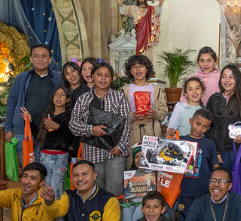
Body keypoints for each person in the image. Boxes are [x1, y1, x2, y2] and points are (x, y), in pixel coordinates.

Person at [69, 63, 131, 196]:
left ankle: (114, 217)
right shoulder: (83, 99)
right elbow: (73, 124)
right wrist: (91, 129)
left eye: (107, 75)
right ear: (92, 77)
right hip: (93, 153)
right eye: (99, 75)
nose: (103, 78)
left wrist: (121, 146)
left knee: (115, 193)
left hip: (115, 153)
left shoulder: (119, 97)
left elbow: (126, 124)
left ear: (111, 79)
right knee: (95, 193)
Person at [4, 44, 62, 160]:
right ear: (31, 59)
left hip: (48, 132)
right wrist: (8, 129)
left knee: (46, 170)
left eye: (44, 56)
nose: (40, 59)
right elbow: (12, 103)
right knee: (28, 170)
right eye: (36, 56)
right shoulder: (22, 78)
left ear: (50, 60)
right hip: (24, 131)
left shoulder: (58, 79)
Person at [20, 86, 74, 199]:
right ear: (52, 98)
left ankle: (59, 217)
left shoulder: (70, 116)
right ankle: (47, 216)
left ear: (68, 99)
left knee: (56, 189)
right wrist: (29, 122)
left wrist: (58, 127)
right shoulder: (46, 115)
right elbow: (39, 137)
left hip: (60, 157)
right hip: (45, 156)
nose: (58, 97)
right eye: (56, 94)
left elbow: (71, 139)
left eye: (62, 94)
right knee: (45, 189)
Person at [121, 54, 168, 167]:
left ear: (147, 69)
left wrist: (155, 113)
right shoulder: (124, 90)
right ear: (130, 71)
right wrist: (132, 116)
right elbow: (119, 115)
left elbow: (163, 112)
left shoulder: (156, 90)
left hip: (151, 130)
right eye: (134, 66)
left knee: (153, 163)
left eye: (141, 66)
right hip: (132, 131)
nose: (138, 69)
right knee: (132, 163)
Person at [205, 65, 241, 170]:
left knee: (237, 184)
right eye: (224, 76)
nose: (227, 80)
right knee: (219, 183)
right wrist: (216, 151)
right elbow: (208, 126)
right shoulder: (213, 99)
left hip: (238, 151)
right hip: (217, 152)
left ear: (237, 79)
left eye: (231, 77)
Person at [177, 109, 219, 221]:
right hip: (184, 190)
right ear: (191, 121)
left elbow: (215, 166)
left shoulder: (210, 144)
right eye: (198, 123)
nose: (200, 129)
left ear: (208, 128)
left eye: (205, 127)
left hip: (204, 191)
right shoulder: (180, 140)